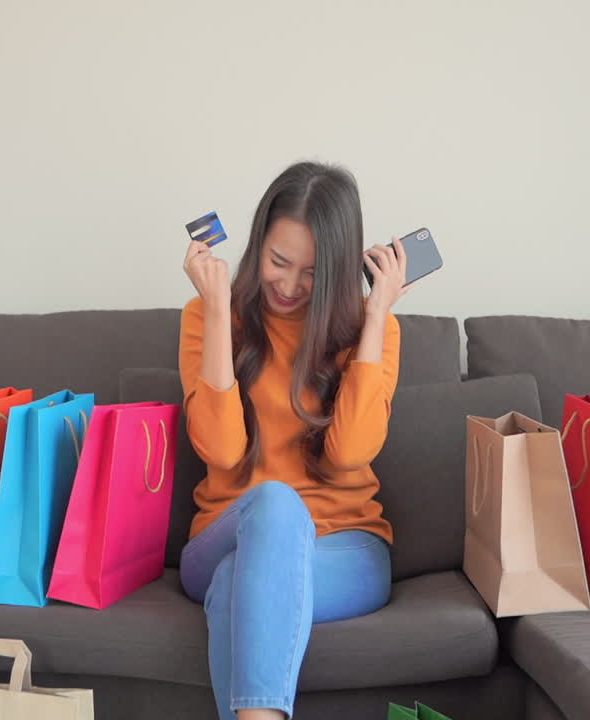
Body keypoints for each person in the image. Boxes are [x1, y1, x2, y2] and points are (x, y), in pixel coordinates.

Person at [177, 161, 410, 719]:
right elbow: (223, 451)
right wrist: (216, 313)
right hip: (226, 533)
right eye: (278, 261)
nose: (288, 284)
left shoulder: (372, 330)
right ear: (257, 245)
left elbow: (351, 453)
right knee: (275, 506)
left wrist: (375, 315)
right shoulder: (207, 316)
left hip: (345, 546)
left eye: (310, 272)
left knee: (243, 583)